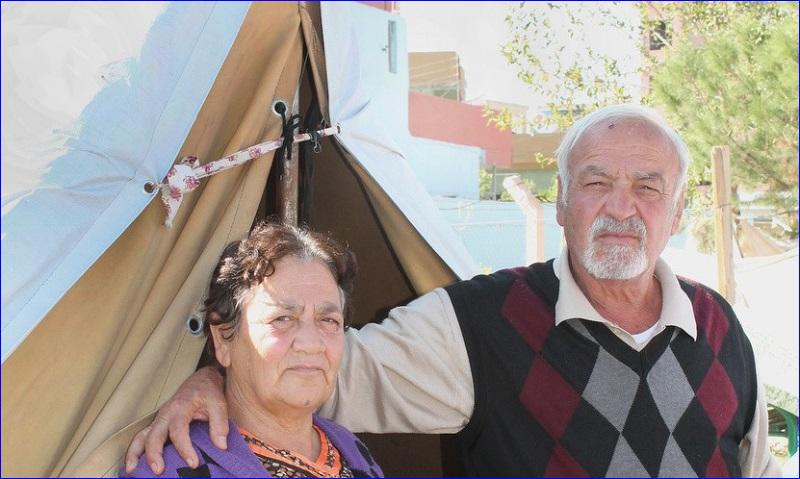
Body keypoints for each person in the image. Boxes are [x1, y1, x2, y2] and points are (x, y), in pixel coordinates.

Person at [126, 105, 780, 477]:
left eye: (647, 186)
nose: (620, 207)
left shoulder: (720, 328)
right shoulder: (483, 324)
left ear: (679, 206)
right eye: (596, 182)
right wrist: (213, 374)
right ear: (559, 201)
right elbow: (310, 366)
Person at [124, 222, 383, 478]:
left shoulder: (351, 451)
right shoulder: (172, 469)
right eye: (282, 319)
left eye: (329, 321)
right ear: (223, 338)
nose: (311, 343)